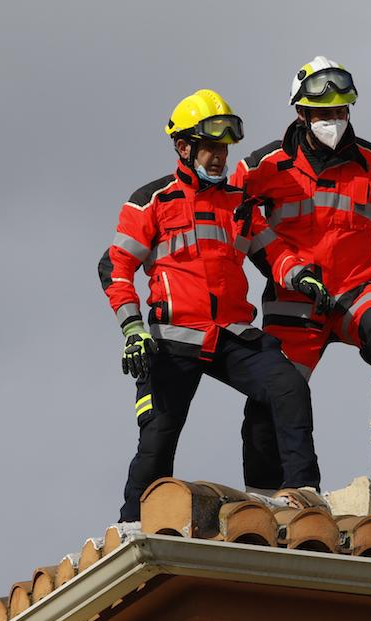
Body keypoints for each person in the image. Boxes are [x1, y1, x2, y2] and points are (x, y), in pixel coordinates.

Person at [98, 89, 328, 522]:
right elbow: (114, 268)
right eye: (210, 147)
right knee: (158, 440)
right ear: (184, 147)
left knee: (287, 385)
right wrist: (132, 329)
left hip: (231, 333)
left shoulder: (239, 203)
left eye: (224, 148)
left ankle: (299, 492)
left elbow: (273, 252)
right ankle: (132, 528)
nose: (220, 157)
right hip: (172, 338)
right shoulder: (152, 201)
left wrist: (300, 273)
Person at [232, 56, 371, 494]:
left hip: (359, 288)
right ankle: (265, 502)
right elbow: (235, 218)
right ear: (301, 113)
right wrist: (285, 267)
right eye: (323, 114)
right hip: (295, 299)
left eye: (340, 112)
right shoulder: (263, 166)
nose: (332, 121)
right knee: (271, 396)